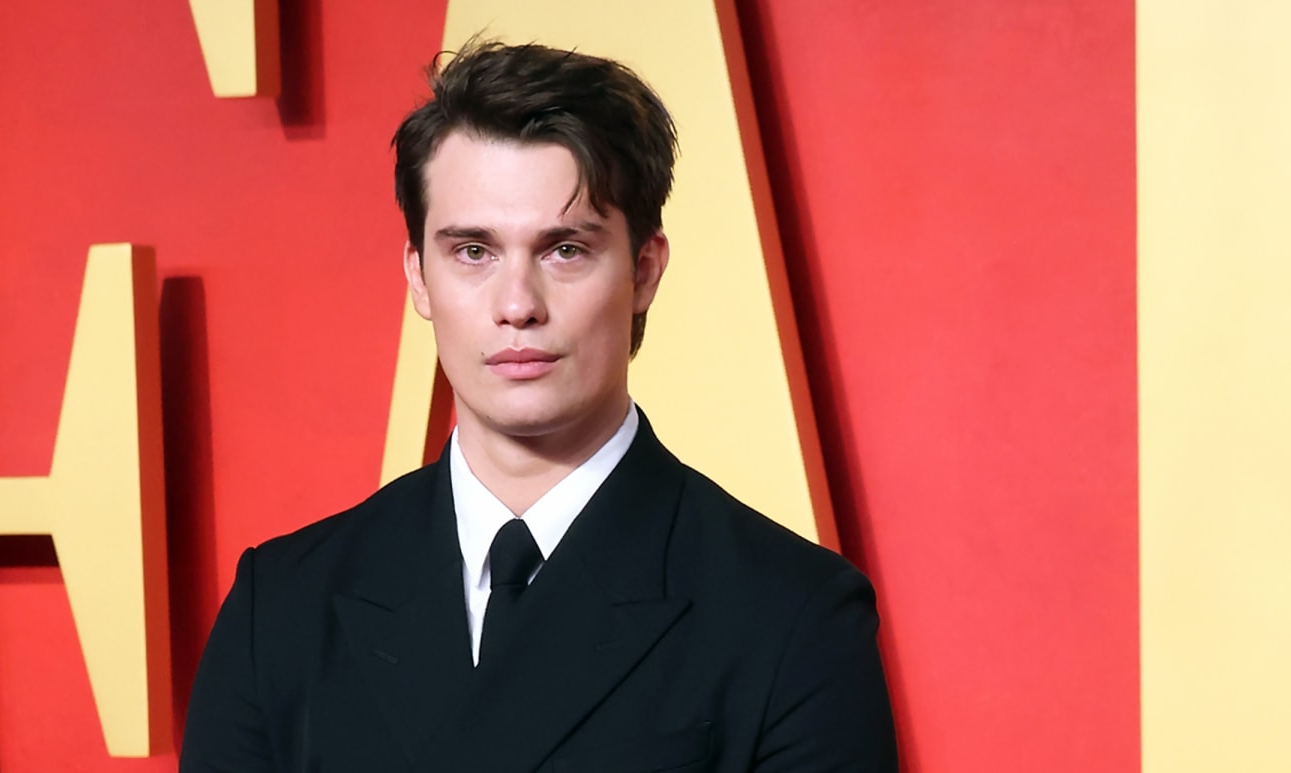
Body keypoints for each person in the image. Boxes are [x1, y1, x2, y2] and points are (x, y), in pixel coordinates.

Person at [180, 40, 898, 772]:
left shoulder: (791, 618)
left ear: (644, 269)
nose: (518, 305)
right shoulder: (282, 608)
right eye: (473, 252)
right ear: (419, 276)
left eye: (564, 250)